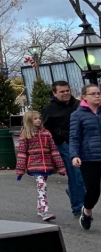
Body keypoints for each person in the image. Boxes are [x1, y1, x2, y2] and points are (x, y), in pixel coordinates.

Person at [42, 80, 85, 217]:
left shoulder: (79, 105)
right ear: (54, 93)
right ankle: (78, 207)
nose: (66, 93)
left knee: (87, 176)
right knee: (76, 174)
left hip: (82, 143)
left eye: (67, 90)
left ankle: (73, 192)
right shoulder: (49, 110)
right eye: (62, 91)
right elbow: (44, 129)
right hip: (64, 144)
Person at [16, 110, 66, 222]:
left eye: (39, 118)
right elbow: (22, 153)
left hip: (46, 166)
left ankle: (40, 207)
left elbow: (54, 151)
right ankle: (45, 210)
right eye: (35, 119)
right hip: (34, 166)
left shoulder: (46, 133)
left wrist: (60, 167)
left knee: (41, 187)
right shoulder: (25, 135)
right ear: (29, 121)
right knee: (42, 186)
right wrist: (20, 170)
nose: (38, 120)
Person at [70, 84, 101, 230]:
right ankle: (87, 212)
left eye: (99, 93)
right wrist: (74, 155)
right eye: (93, 94)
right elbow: (74, 137)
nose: (97, 96)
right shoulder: (77, 115)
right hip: (89, 158)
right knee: (93, 191)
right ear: (84, 97)